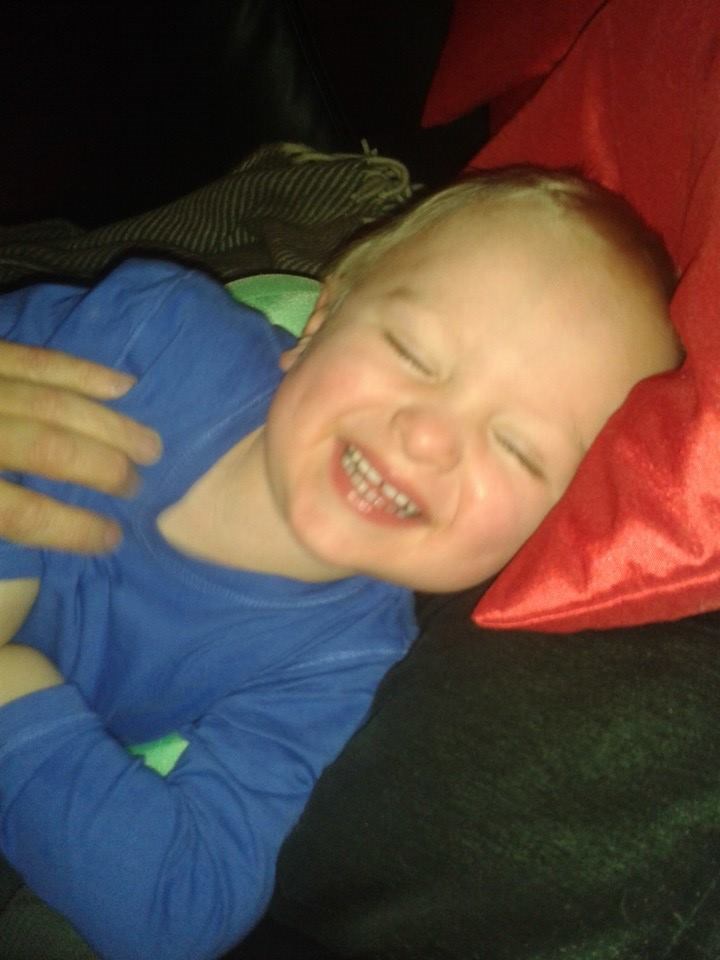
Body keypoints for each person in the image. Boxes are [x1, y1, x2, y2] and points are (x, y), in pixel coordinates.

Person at [0, 166, 680, 960]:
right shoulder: (155, 334)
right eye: (411, 351)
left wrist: (13, 692)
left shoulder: (342, 667)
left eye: (518, 448)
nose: (429, 436)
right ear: (321, 321)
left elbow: (180, 910)